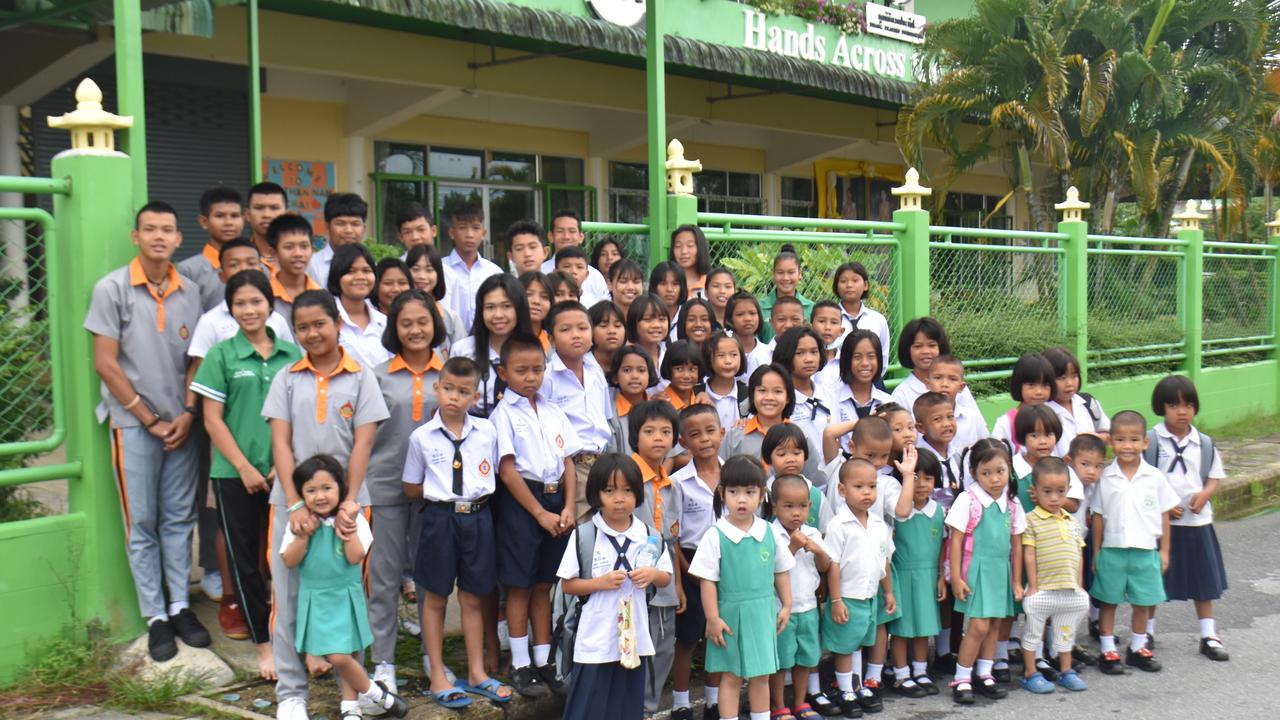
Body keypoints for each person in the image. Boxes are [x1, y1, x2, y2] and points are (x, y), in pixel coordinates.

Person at [86, 201, 211, 662]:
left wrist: (187, 412)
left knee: (180, 519)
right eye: (150, 229)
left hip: (181, 424)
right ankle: (155, 615)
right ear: (135, 236)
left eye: (168, 230)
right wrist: (148, 417)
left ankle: (180, 605)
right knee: (141, 523)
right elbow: (105, 362)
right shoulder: (112, 289)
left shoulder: (192, 291)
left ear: (179, 239)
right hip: (133, 426)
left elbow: (195, 359)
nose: (159, 237)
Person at [262, 290, 390, 720]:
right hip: (291, 507)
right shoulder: (286, 378)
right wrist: (296, 503)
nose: (312, 333)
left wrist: (349, 503)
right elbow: (280, 442)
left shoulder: (360, 377)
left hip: (349, 507)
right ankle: (291, 692)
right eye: (302, 327)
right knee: (288, 596)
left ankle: (351, 697)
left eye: (319, 323)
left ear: (337, 322)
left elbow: (364, 443)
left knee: (350, 597)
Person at [192, 269, 301, 674]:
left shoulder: (292, 355)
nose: (250, 309)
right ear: (231, 309)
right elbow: (212, 420)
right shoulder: (221, 355)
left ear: (270, 305)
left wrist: (279, 462)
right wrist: (243, 467)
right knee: (245, 563)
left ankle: (301, 640)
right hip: (233, 473)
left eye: (257, 301)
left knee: (291, 557)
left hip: (285, 470)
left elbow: (298, 414)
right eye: (240, 303)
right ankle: (263, 646)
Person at [402, 356, 514, 708]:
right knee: (434, 598)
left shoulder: (487, 432)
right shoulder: (421, 437)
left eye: (463, 391)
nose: (453, 397)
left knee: (473, 597)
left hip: (478, 518)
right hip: (439, 520)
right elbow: (410, 486)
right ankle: (438, 673)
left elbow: (496, 473)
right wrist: (443, 500)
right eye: (448, 388)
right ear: (437, 388)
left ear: (475, 397)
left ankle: (478, 673)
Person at [280, 455, 409, 719]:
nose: (320, 496)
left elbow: (354, 556)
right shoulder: (299, 524)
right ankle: (377, 694)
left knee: (348, 652)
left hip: (346, 594)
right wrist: (304, 534)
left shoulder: (355, 519)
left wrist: (348, 523)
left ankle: (350, 707)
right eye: (311, 490)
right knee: (337, 655)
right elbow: (290, 560)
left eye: (327, 488)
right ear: (301, 494)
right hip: (316, 599)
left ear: (340, 488)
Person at [490, 332, 581, 697]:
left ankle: (544, 659)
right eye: (521, 370)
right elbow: (508, 470)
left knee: (544, 583)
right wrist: (540, 513)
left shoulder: (553, 410)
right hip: (523, 504)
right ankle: (521, 663)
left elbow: (568, 462)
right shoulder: (503, 415)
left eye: (537, 369)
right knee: (519, 585)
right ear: (503, 371)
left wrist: (570, 506)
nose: (531, 377)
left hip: (556, 500)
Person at [365, 290, 446, 691]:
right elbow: (363, 437)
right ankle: (383, 662)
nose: (415, 330)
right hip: (384, 487)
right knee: (382, 577)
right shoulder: (376, 375)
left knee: (430, 576)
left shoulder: (449, 372)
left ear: (436, 324)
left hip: (436, 492)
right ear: (394, 328)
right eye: (406, 323)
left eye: (423, 321)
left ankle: (435, 660)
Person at [558, 454, 673, 720]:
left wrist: (652, 574)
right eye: (609, 491)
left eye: (627, 490)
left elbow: (666, 577)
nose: (619, 498)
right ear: (596, 494)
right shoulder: (585, 535)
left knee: (626, 706)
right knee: (587, 707)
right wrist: (601, 583)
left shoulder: (650, 536)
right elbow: (568, 585)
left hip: (635, 639)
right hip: (595, 638)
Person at [688, 455, 795, 720]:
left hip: (762, 613)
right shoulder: (716, 534)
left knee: (761, 674)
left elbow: (781, 571)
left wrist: (787, 604)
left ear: (762, 495)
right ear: (722, 493)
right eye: (734, 492)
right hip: (728, 616)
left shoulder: (769, 532)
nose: (742, 499)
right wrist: (712, 618)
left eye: (750, 492)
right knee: (732, 675)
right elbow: (708, 581)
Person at [1145, 375, 1230, 661]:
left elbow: (1213, 476)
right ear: (1161, 407)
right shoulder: (1153, 440)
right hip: (1161, 524)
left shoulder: (1203, 443)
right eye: (1174, 405)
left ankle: (1209, 634)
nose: (1182, 411)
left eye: (1188, 405)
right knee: (1154, 578)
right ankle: (1146, 631)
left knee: (1203, 579)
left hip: (1197, 522)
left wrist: (1205, 494)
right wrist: (1163, 506)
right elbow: (1145, 479)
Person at [947, 439, 1025, 705]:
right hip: (976, 570)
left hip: (1000, 570)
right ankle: (962, 676)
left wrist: (1016, 581)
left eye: (1000, 471)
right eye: (986, 473)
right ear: (974, 473)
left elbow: (1017, 544)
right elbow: (955, 540)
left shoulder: (1012, 504)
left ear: (1009, 469)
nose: (994, 479)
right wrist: (955, 577)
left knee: (994, 625)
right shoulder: (967, 500)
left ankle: (984, 673)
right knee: (978, 626)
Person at [820, 458, 897, 717]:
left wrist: (887, 592)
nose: (867, 493)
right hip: (847, 597)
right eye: (859, 486)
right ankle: (845, 690)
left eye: (872, 486)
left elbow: (882, 560)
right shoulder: (838, 525)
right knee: (844, 646)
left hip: (869, 596)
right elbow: (832, 564)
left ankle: (857, 684)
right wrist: (837, 599)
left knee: (859, 644)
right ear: (842, 490)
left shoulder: (878, 525)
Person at [626, 400, 684, 717]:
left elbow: (671, 542)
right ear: (635, 436)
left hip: (662, 586)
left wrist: (678, 588)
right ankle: (634, 706)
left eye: (666, 431)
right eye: (649, 431)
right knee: (633, 647)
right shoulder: (627, 477)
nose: (658, 438)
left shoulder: (671, 486)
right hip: (629, 582)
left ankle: (646, 706)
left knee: (662, 646)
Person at [670, 404, 725, 720]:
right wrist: (685, 571)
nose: (704, 439)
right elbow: (673, 535)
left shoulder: (733, 472)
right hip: (690, 564)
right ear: (683, 441)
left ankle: (714, 702)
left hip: (725, 563)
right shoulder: (678, 482)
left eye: (710, 431)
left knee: (718, 635)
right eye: (695, 434)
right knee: (688, 638)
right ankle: (679, 703)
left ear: (722, 431)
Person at [1018, 457, 1091, 694]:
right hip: (1043, 588)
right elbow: (1029, 553)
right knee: (1034, 632)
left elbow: (1078, 554)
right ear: (1035, 492)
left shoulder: (1072, 522)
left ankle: (1066, 670)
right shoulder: (1031, 520)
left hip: (1068, 587)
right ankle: (1030, 672)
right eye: (1046, 491)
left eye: (1060, 491)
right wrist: (1033, 585)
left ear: (1068, 490)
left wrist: (1079, 585)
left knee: (1065, 632)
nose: (1054, 498)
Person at [541, 301, 614, 522]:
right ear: (552, 340)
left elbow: (605, 418)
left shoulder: (595, 371)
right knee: (583, 527)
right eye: (565, 330)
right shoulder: (548, 377)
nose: (576, 335)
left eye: (582, 328)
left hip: (601, 461)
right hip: (573, 465)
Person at [768, 475, 832, 720]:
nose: (796, 513)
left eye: (802, 506)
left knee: (806, 657)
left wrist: (817, 550)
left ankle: (800, 702)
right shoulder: (770, 534)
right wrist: (793, 547)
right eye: (788, 506)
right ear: (774, 506)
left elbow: (825, 567)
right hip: (781, 609)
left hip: (808, 606)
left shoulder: (813, 533)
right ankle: (778, 706)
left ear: (809, 507)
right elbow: (771, 570)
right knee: (782, 660)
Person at [887, 450, 945, 699]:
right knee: (901, 630)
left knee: (923, 628)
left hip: (928, 577)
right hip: (902, 576)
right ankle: (901, 674)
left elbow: (942, 549)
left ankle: (920, 671)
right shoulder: (899, 511)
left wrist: (942, 576)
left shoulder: (939, 511)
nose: (922, 485)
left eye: (928, 478)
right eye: (916, 478)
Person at [187, 243, 294, 359]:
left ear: (261, 270)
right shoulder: (210, 321)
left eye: (251, 263)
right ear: (222, 276)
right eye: (234, 264)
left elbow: (290, 362)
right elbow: (202, 371)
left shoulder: (278, 320)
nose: (244, 269)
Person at [450, 273, 531, 417]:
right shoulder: (462, 351)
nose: (498, 315)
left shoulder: (532, 351)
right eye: (490, 307)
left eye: (506, 306)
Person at [772, 326, 831, 480]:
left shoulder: (830, 394)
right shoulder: (779, 402)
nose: (809, 359)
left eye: (814, 352)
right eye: (800, 353)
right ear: (786, 355)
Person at [890, 317, 978, 418]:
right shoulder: (901, 395)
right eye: (918, 346)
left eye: (931, 345)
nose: (926, 351)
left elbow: (976, 425)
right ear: (907, 350)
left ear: (940, 348)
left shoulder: (957, 386)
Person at [179, 186, 244, 312]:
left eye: (234, 216)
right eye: (220, 216)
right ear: (204, 222)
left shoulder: (257, 266)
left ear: (244, 219)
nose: (228, 222)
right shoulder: (189, 270)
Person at [327, 243, 390, 369]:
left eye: (367, 271)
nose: (360, 277)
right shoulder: (326, 320)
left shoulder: (385, 322)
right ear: (337, 276)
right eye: (351, 271)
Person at [442, 204, 503, 330]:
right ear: (451, 233)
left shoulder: (494, 272)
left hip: (486, 342)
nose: (469, 234)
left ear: (483, 233)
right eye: (462, 228)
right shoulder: (440, 269)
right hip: (448, 343)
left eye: (475, 228)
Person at [1044, 346, 1110, 454]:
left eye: (1074, 376)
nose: (1069, 384)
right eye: (1062, 378)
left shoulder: (1088, 402)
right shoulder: (1043, 411)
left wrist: (1096, 438)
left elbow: (1108, 433)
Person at [720, 364, 794, 461]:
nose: (769, 397)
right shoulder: (734, 437)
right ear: (752, 395)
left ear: (788, 397)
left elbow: (814, 475)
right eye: (762, 390)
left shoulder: (800, 437)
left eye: (778, 391)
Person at [990, 352, 1056, 454]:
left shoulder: (1054, 417)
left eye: (1045, 385)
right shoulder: (1006, 424)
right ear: (1018, 385)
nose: (1039, 392)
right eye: (1031, 385)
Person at [832, 262, 890, 376]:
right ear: (836, 287)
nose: (849, 285)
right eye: (843, 281)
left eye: (855, 280)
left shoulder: (877, 319)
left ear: (865, 285)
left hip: (871, 381)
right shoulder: (829, 320)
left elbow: (883, 356)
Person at [543, 209, 610, 302]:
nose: (566, 236)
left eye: (572, 231)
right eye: (560, 231)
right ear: (550, 236)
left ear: (581, 237)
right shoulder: (542, 272)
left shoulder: (595, 276)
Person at [406, 244, 465, 345]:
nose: (422, 276)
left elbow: (461, 356)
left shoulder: (451, 319)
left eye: (429, 270)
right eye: (415, 269)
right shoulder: (397, 314)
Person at [265, 214, 321, 320]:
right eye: (289, 247)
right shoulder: (264, 295)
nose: (298, 254)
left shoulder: (321, 294)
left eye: (304, 246)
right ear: (273, 253)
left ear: (312, 249)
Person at [927, 355, 987, 451]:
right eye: (938, 378)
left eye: (952, 379)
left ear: (961, 387)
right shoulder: (918, 420)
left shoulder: (973, 418)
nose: (944, 384)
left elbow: (986, 448)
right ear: (927, 384)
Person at [308, 192, 368, 285]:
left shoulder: (371, 265)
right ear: (327, 226)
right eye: (341, 223)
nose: (348, 230)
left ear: (364, 229)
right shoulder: (312, 264)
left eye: (355, 224)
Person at [608, 347, 657, 456]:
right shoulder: (609, 415)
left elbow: (670, 456)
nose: (634, 376)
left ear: (650, 375)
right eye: (627, 370)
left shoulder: (659, 410)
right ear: (616, 377)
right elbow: (613, 457)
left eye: (641, 370)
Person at [757, 246, 813, 343]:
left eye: (791, 272)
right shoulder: (759, 307)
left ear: (800, 273)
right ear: (773, 274)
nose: (786, 278)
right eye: (780, 272)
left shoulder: (811, 308)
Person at [699, 331, 748, 432]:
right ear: (708, 359)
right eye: (721, 355)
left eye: (734, 355)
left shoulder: (748, 394)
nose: (728, 361)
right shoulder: (697, 394)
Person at [626, 293, 672, 376]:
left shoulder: (670, 356)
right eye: (647, 319)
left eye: (662, 319)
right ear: (633, 323)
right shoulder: (625, 359)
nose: (656, 325)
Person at [245, 181, 288, 270]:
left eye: (274, 208)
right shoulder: (238, 257)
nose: (267, 215)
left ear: (286, 214)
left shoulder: (301, 257)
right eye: (259, 208)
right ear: (247, 215)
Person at [725, 292, 769, 375]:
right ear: (730, 319)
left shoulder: (769, 352)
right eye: (740, 314)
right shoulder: (723, 352)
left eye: (752, 313)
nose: (748, 319)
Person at [657, 339, 702, 410]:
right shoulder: (659, 405)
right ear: (668, 369)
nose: (686, 376)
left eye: (692, 369)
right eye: (679, 369)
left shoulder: (702, 401)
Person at [670, 224, 711, 299]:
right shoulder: (666, 284)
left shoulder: (712, 282)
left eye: (690, 245)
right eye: (678, 246)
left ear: (700, 248)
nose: (683, 251)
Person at [588, 300, 627, 378]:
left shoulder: (630, 361)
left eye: (618, 326)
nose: (612, 331)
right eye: (603, 325)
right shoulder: (579, 364)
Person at [519, 271, 554, 349]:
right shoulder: (504, 339)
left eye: (544, 296)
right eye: (528, 294)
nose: (536, 301)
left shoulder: (553, 343)